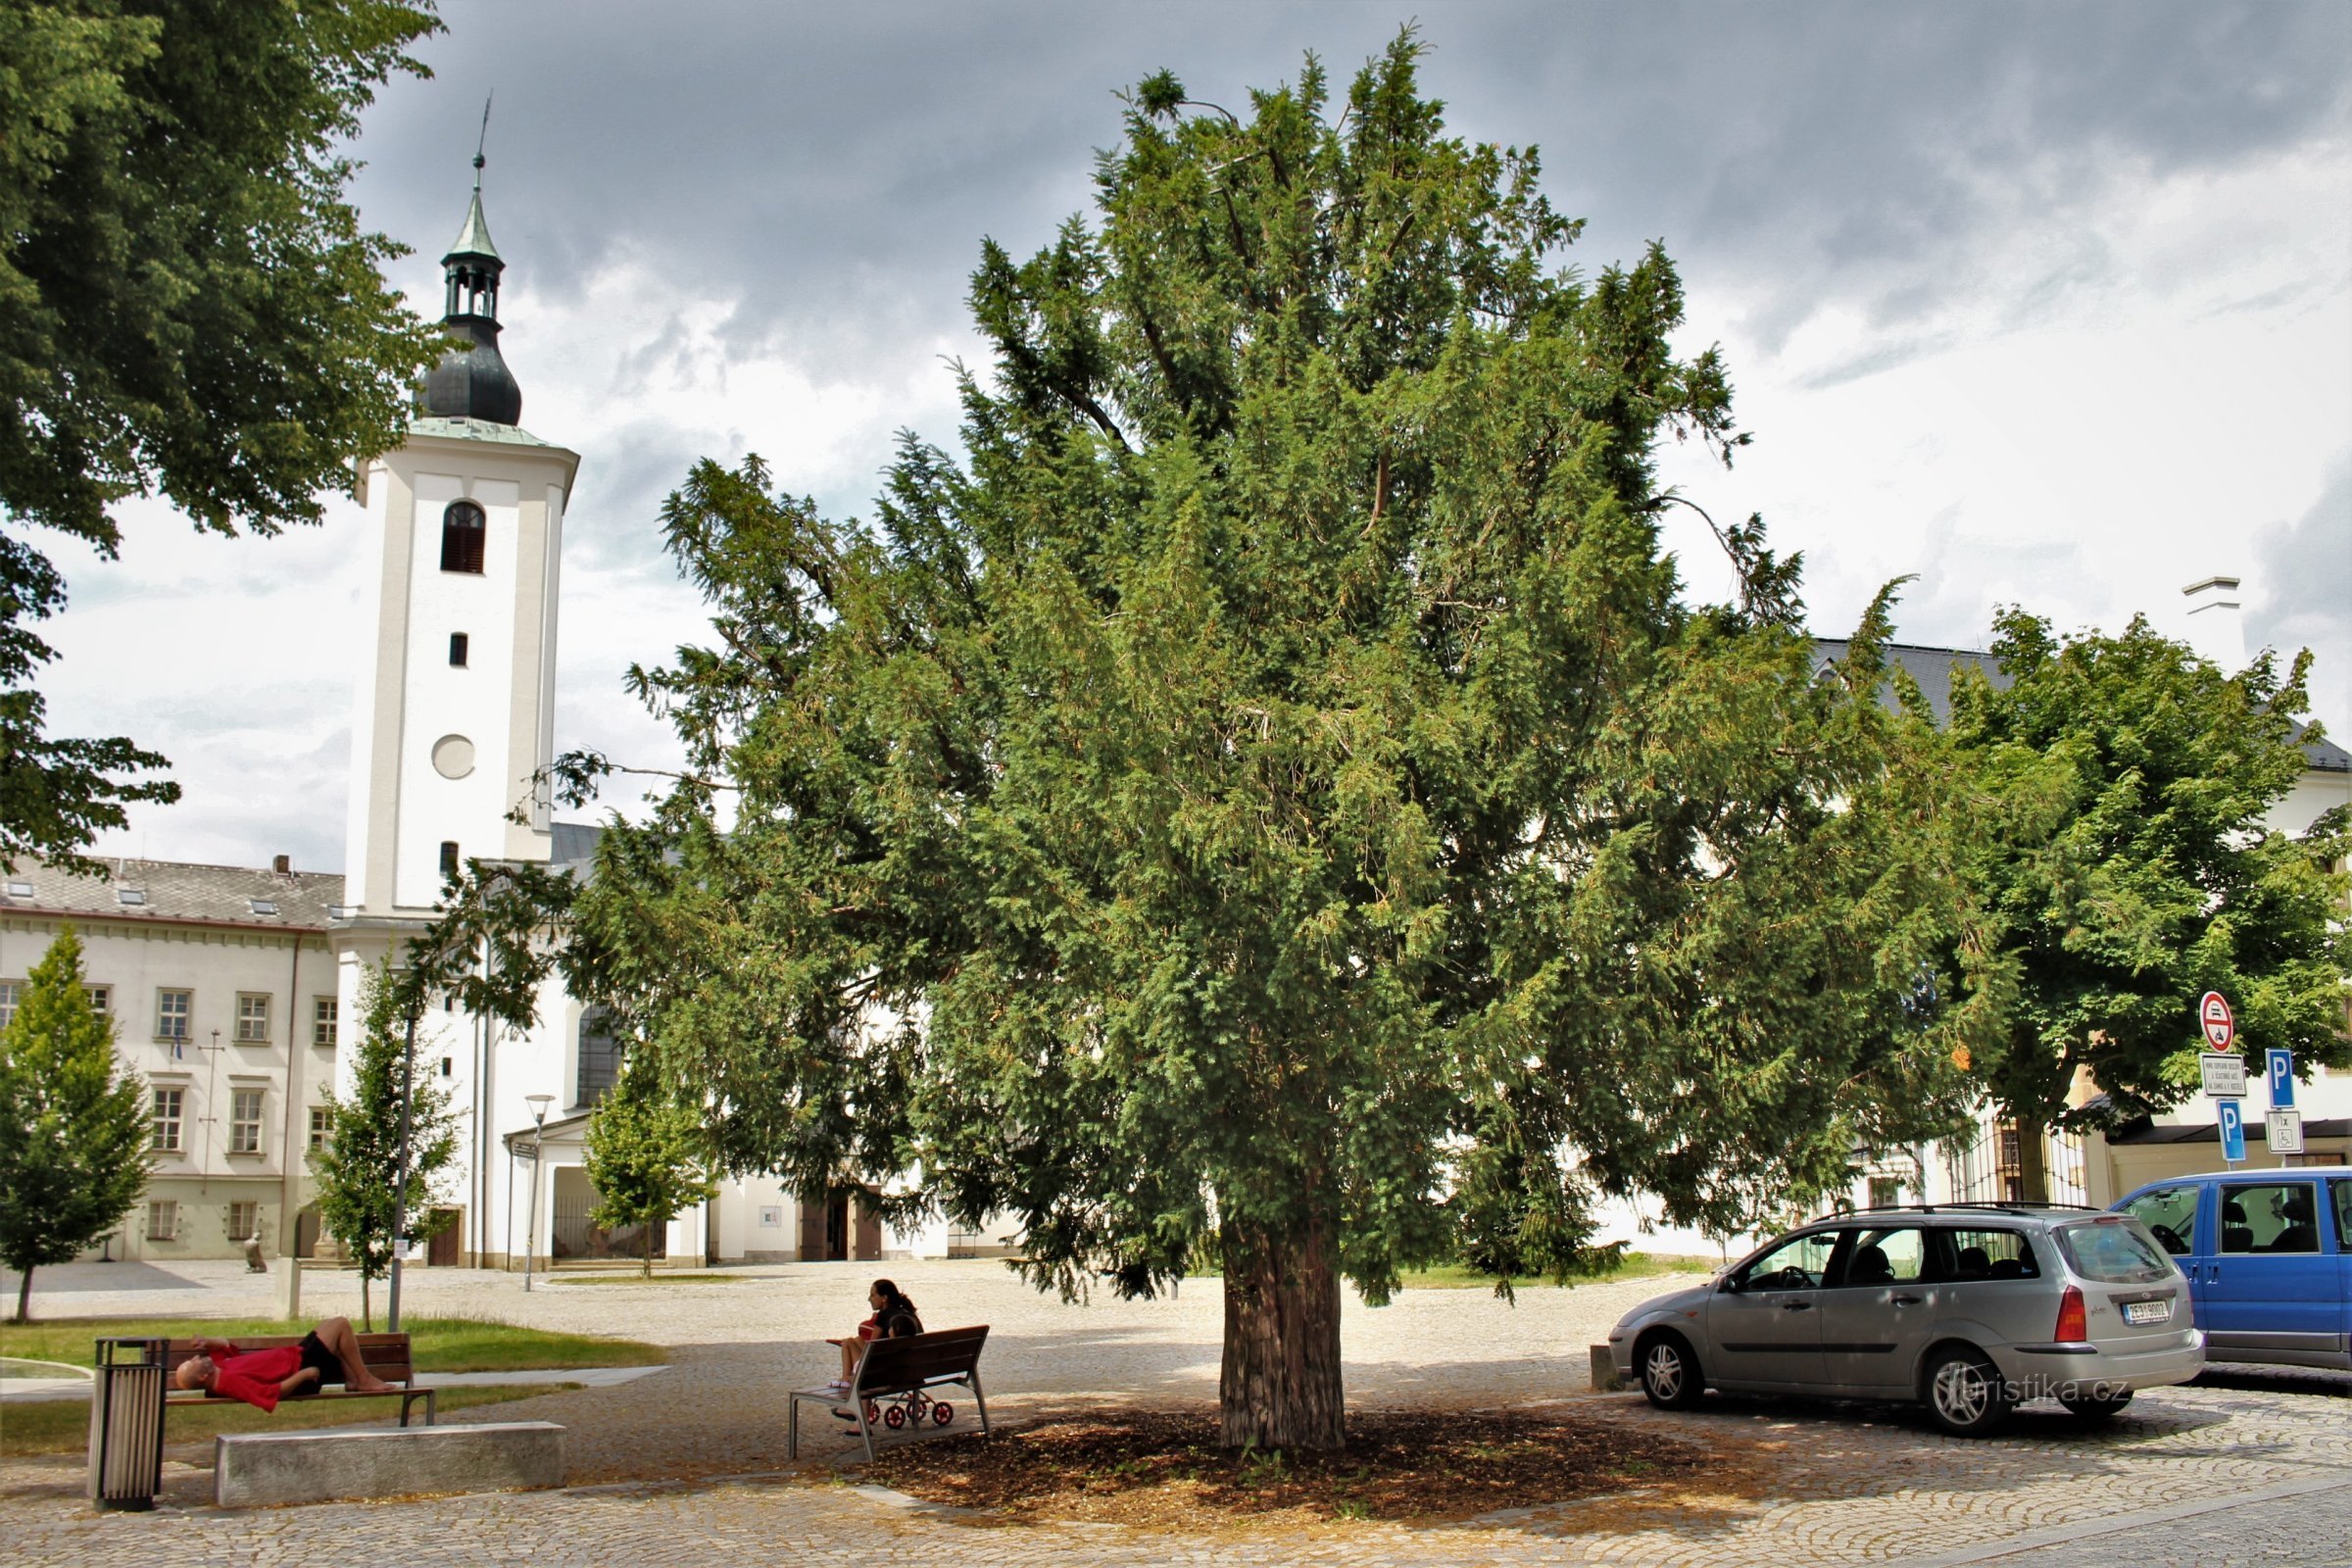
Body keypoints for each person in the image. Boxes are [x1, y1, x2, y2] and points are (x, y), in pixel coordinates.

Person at [171, 1316, 397, 1411]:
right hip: (298, 1369)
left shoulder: (218, 1370)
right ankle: (364, 1379)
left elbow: (225, 1345)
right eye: (193, 1362)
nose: (196, 1357)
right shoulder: (229, 1382)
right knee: (340, 1325)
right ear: (202, 1377)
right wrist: (305, 1374)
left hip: (295, 1356)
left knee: (329, 1325)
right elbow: (272, 1394)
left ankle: (352, 1380)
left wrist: (205, 1341)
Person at [825, 1278, 922, 1389]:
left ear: (884, 1298)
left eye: (872, 1295)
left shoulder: (884, 1315)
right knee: (855, 1340)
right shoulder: (908, 1313)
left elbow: (870, 1348)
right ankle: (846, 1380)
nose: (869, 1299)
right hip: (914, 1371)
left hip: (888, 1375)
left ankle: (845, 1380)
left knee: (848, 1343)